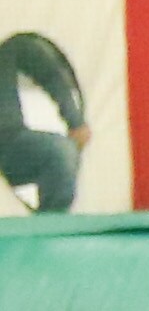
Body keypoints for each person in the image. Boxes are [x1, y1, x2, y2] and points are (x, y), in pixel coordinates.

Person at [1, 28, 89, 213]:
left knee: (60, 152)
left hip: (7, 143)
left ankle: (50, 230)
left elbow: (49, 71)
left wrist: (75, 120)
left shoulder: (8, 49)